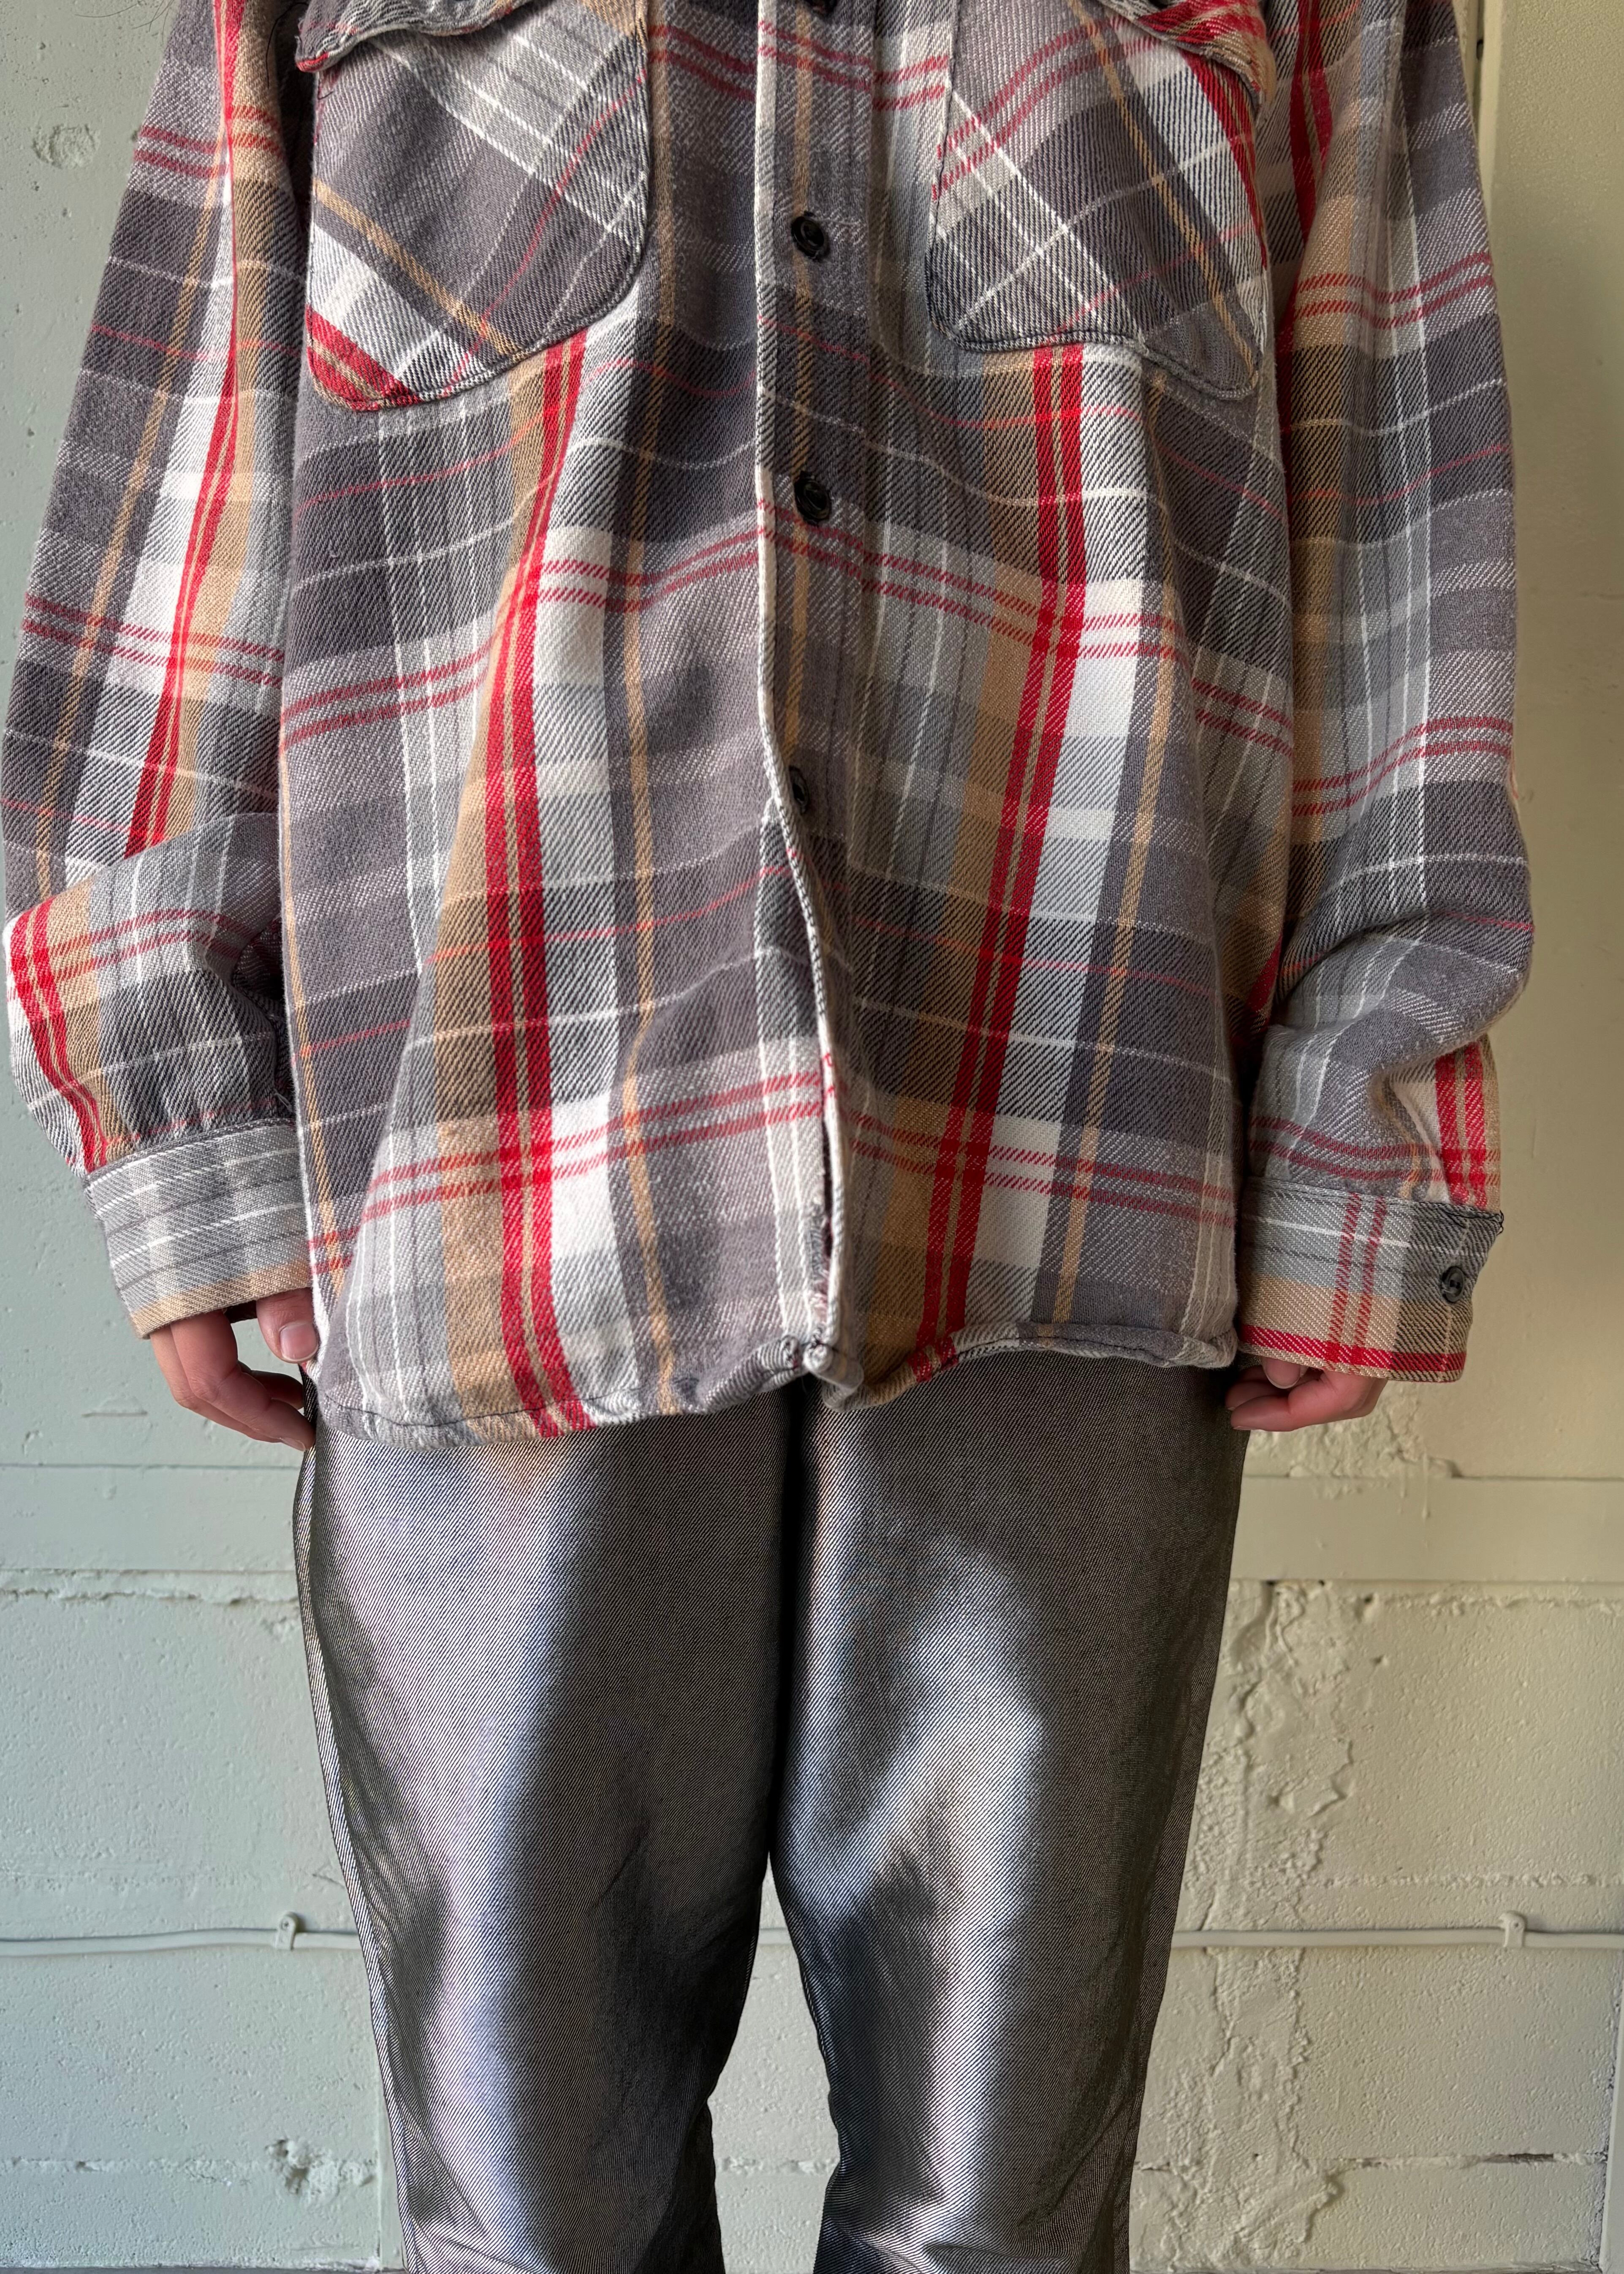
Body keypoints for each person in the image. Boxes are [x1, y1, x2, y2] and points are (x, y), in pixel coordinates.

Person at [2, 0, 1530, 2263]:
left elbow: (1389, 490)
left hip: (1075, 1125)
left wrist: (1361, 1106)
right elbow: (196, 450)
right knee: (526, 2209)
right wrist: (175, 1096)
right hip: (496, 1140)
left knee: (1004, 2215)